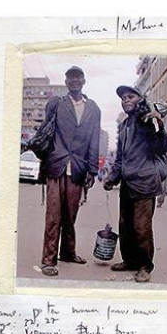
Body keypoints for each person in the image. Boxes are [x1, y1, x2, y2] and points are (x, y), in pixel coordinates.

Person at [36, 66, 101, 276]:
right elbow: (46, 129)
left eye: (78, 78)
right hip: (56, 165)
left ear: (84, 81)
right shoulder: (56, 103)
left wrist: (92, 169)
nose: (74, 81)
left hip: (79, 167)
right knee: (54, 214)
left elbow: (94, 140)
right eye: (70, 78)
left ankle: (68, 252)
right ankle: (48, 260)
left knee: (71, 214)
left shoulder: (93, 108)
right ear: (66, 82)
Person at [104, 85, 167, 283]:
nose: (125, 100)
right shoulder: (125, 125)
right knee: (126, 226)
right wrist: (111, 178)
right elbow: (120, 158)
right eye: (122, 98)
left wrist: (158, 123)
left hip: (145, 182)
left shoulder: (146, 119)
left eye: (130, 96)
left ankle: (144, 266)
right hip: (127, 182)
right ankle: (130, 261)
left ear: (140, 100)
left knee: (142, 227)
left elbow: (162, 146)